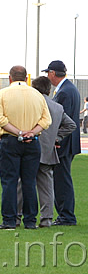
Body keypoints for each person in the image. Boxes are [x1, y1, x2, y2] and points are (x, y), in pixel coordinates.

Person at [0, 65, 51, 230]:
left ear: (10, 78)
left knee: (10, 182)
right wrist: (31, 133)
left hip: (10, 140)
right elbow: (46, 121)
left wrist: (19, 132)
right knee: (29, 182)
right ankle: (30, 221)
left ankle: (9, 220)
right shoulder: (37, 95)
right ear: (27, 78)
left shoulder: (3, 94)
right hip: (32, 142)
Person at [16, 76, 76, 228]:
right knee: (47, 187)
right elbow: (71, 125)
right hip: (48, 152)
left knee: (22, 185)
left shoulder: (29, 104)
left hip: (29, 149)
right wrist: (56, 138)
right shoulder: (57, 107)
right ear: (49, 90)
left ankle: (17, 217)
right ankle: (47, 219)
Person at [44, 60, 81, 226]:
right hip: (68, 142)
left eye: (48, 73)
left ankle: (66, 216)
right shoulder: (69, 89)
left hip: (63, 143)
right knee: (62, 179)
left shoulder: (65, 92)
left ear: (53, 73)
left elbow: (60, 119)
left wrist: (56, 138)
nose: (47, 77)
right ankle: (65, 215)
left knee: (61, 180)